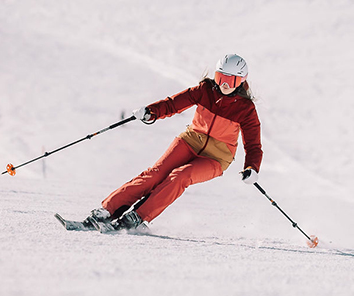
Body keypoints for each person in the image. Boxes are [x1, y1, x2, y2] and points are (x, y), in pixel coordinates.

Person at [81, 53, 263, 232]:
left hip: (217, 158)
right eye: (220, 77)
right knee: (155, 174)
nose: (223, 84)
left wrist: (252, 168)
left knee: (180, 176)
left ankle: (137, 217)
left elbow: (253, 145)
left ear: (240, 81)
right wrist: (150, 111)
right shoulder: (204, 91)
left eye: (230, 81)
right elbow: (173, 104)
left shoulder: (246, 109)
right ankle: (107, 211)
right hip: (190, 141)